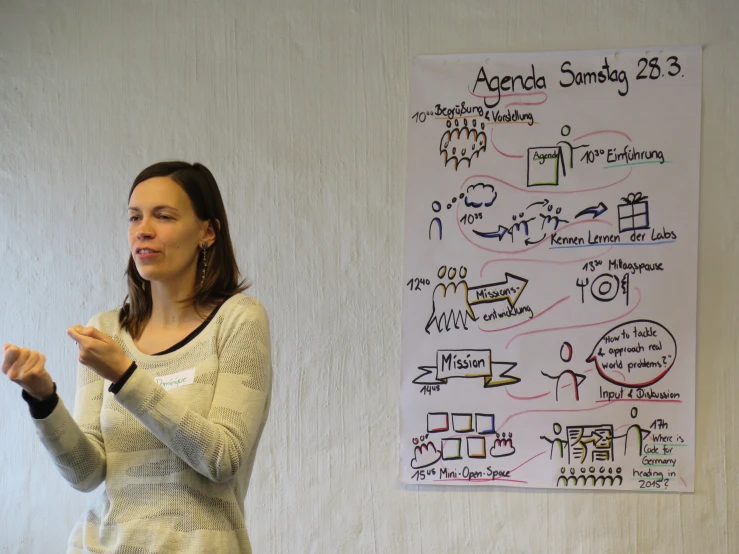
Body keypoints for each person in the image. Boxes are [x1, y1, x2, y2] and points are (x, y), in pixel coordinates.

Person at [1, 161, 272, 553]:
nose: (143, 229)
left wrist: (127, 376)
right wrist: (43, 400)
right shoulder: (107, 330)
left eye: (163, 216)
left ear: (207, 232)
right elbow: (86, 473)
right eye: (134, 216)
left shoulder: (238, 319)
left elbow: (222, 459)